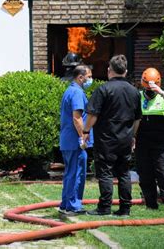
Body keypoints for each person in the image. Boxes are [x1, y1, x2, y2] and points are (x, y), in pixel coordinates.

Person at [83, 55, 141, 216]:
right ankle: (125, 208)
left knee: (106, 173)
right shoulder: (134, 91)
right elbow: (137, 119)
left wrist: (86, 131)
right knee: (124, 173)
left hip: (106, 139)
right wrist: (133, 136)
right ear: (126, 71)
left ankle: (105, 207)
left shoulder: (103, 90)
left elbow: (93, 115)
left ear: (109, 70)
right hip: (125, 139)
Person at [135, 68, 164, 213]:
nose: (149, 91)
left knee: (163, 172)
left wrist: (161, 92)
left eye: (152, 88)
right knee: (145, 172)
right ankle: (151, 203)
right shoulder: (138, 97)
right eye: (147, 87)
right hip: (142, 142)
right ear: (143, 84)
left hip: (160, 143)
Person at [59, 65, 94, 216]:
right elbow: (77, 117)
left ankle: (66, 204)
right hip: (75, 141)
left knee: (70, 173)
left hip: (68, 141)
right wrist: (83, 137)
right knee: (77, 173)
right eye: (89, 76)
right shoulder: (77, 93)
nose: (91, 79)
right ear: (81, 77)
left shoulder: (70, 90)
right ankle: (73, 206)